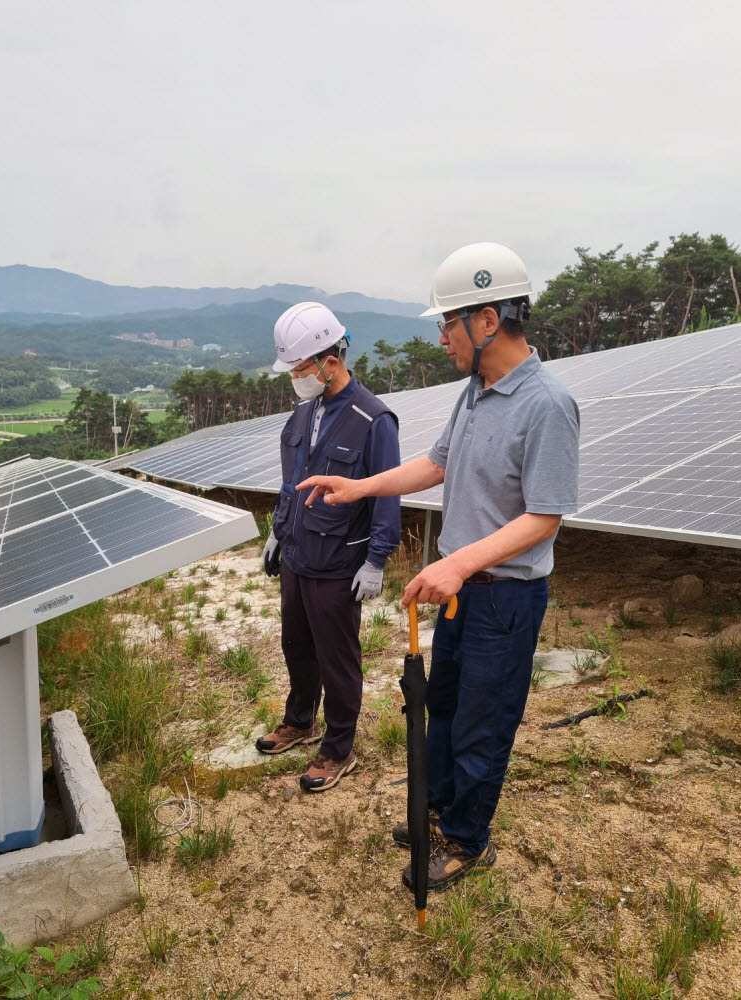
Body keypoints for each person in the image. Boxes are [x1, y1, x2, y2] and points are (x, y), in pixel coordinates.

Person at [297, 244, 580, 889]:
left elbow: (544, 517)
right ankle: (440, 805)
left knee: (484, 718)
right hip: (460, 590)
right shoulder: (475, 394)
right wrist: (358, 487)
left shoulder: (547, 405)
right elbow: (435, 464)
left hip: (504, 598)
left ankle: (466, 837)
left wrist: (459, 565)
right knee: (442, 706)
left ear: (487, 320)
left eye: (448, 323)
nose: (443, 337)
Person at [257, 302, 402, 792]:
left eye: (300, 369)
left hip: (340, 561)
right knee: (296, 644)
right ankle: (301, 720)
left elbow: (386, 492)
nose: (296, 378)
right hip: (299, 554)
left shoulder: (373, 419)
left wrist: (377, 559)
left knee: (338, 658)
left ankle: (338, 748)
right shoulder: (302, 414)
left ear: (330, 362)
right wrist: (278, 529)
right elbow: (289, 481)